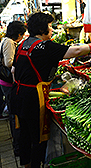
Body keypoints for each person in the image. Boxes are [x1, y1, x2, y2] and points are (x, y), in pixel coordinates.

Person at [10, 11, 91, 168]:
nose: (52, 30)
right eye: (50, 26)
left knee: (24, 134)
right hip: (33, 98)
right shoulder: (45, 46)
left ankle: (27, 165)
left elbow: (14, 70)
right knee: (38, 136)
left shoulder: (23, 44)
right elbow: (76, 51)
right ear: (42, 29)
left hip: (17, 94)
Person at [0, 21, 26, 156]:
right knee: (14, 115)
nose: (22, 37)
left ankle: (18, 146)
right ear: (18, 33)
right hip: (9, 83)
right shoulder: (9, 42)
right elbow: (9, 62)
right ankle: (18, 148)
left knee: (13, 114)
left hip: (5, 83)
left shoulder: (6, 40)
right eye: (22, 34)